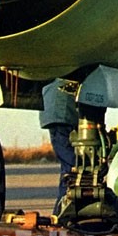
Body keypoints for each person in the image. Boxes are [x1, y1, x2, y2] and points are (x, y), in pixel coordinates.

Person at [39, 79, 78, 210]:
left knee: (69, 167)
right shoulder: (65, 78)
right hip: (62, 117)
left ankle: (62, 210)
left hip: (59, 117)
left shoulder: (54, 77)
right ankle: (62, 210)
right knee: (71, 167)